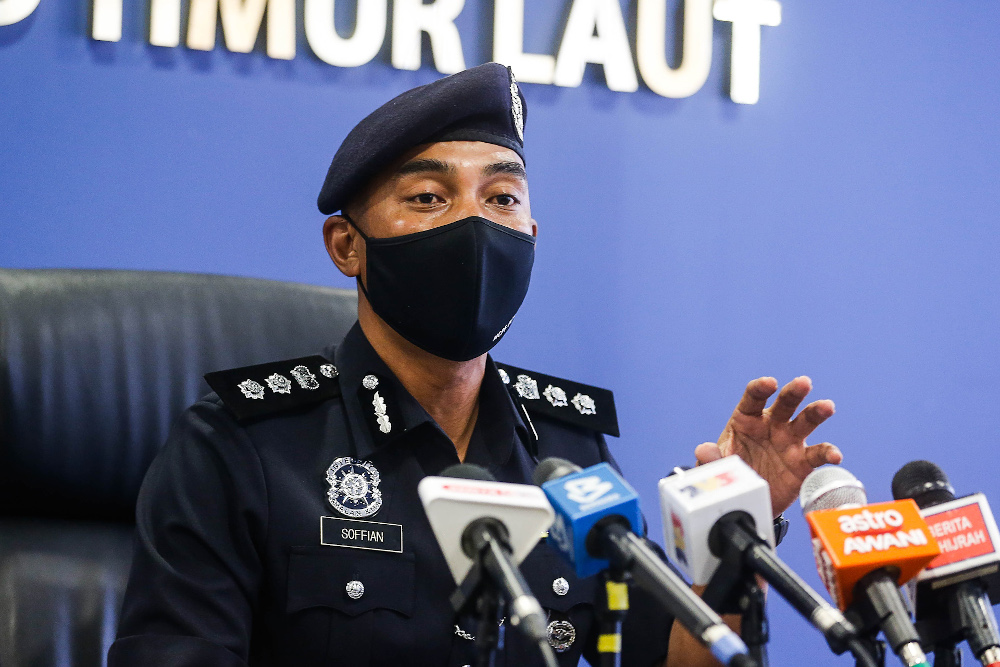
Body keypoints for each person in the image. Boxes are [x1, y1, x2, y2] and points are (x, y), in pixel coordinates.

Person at [108, 62, 841, 667]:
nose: (474, 226)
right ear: (347, 246)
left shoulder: (566, 453)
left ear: (531, 232)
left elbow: (678, 658)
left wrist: (738, 527)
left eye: (502, 197)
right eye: (429, 197)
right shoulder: (239, 447)